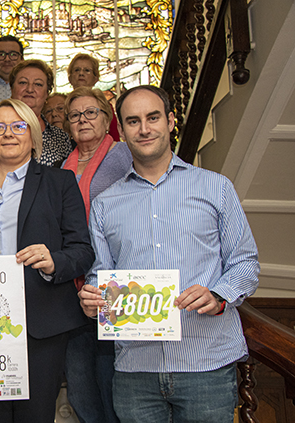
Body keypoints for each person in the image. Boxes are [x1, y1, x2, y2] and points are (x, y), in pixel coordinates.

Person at [79, 85, 260, 423]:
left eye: (153, 118)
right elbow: (100, 273)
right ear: (122, 131)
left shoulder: (216, 187)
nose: (144, 129)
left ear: (171, 121)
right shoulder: (105, 204)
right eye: (133, 121)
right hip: (135, 369)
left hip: (206, 362)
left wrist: (219, 295)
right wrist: (92, 298)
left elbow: (245, 262)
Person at [0, 99, 94, 423]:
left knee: (34, 416)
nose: (8, 133)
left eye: (18, 126)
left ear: (33, 134)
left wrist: (54, 262)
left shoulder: (59, 183)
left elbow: (83, 251)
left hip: (41, 323)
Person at [60, 87, 132, 423]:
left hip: (115, 281)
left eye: (91, 112)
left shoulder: (125, 156)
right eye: (75, 115)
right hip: (72, 285)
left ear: (107, 118)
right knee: (80, 386)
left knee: (112, 383)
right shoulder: (63, 165)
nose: (83, 120)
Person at [0, 59, 72, 184]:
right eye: (23, 83)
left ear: (47, 93)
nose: (30, 89)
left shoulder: (61, 138)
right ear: (11, 89)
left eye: (38, 84)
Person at [67, 53, 120, 142]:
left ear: (95, 78)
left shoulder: (104, 106)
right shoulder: (61, 105)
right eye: (77, 70)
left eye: (87, 70)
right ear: (70, 78)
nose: (81, 73)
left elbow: (114, 138)